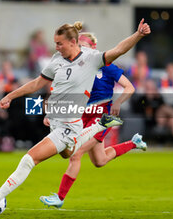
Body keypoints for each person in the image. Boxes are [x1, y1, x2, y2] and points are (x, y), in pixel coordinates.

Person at [0, 19, 151, 214]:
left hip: (69, 127)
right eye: (55, 43)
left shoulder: (92, 59)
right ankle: (99, 126)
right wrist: (10, 95)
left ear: (72, 42)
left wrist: (138, 35)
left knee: (30, 159)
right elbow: (37, 84)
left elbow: (119, 50)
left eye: (59, 43)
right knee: (71, 154)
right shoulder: (57, 60)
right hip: (58, 121)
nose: (56, 47)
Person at [39, 32, 147, 208]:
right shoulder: (76, 67)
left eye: (85, 46)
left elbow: (129, 87)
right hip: (82, 115)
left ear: (94, 48)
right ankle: (134, 143)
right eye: (79, 46)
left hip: (101, 118)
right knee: (100, 160)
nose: (81, 50)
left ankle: (60, 197)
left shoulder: (106, 65)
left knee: (76, 153)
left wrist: (118, 102)